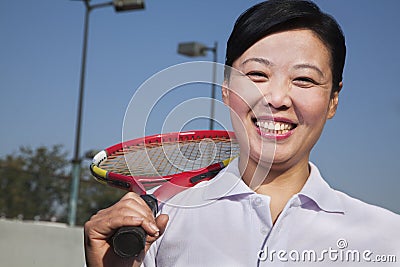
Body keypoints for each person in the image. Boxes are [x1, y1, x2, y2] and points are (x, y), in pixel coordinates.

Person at [84, 0, 400, 266]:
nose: (276, 98)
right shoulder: (158, 227)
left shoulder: (388, 238)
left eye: (304, 79)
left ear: (333, 99)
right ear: (226, 89)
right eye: (257, 75)